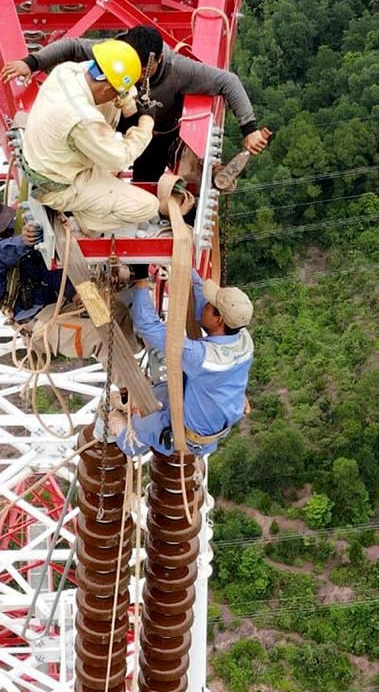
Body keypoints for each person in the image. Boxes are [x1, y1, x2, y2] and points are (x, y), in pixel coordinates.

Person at [2, 25, 271, 183]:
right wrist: (31, 63)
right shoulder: (115, 52)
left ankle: (139, 266)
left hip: (156, 136)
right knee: (95, 159)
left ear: (160, 62)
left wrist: (249, 128)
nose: (133, 77)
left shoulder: (179, 70)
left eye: (142, 71)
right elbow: (72, 47)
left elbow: (228, 81)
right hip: (118, 118)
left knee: (146, 183)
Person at [14, 38, 169, 234]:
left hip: (49, 159)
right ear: (106, 89)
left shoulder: (67, 71)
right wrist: (145, 124)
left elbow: (107, 76)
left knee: (111, 102)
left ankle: (97, 162)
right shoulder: (83, 119)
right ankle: (86, 222)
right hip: (60, 186)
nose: (118, 97)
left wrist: (129, 106)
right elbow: (118, 160)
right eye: (116, 93)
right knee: (147, 206)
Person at [114, 271, 253, 457]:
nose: (203, 306)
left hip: (190, 435)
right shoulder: (244, 339)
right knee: (161, 392)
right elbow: (198, 296)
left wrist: (141, 279)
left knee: (130, 438)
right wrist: (183, 263)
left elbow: (147, 325)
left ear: (219, 319)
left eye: (208, 306)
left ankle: (120, 429)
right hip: (213, 411)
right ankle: (131, 405)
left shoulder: (201, 358)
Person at [0, 192, 62, 321]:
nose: (3, 228)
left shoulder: (12, 228)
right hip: (29, 312)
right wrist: (22, 242)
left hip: (51, 292)